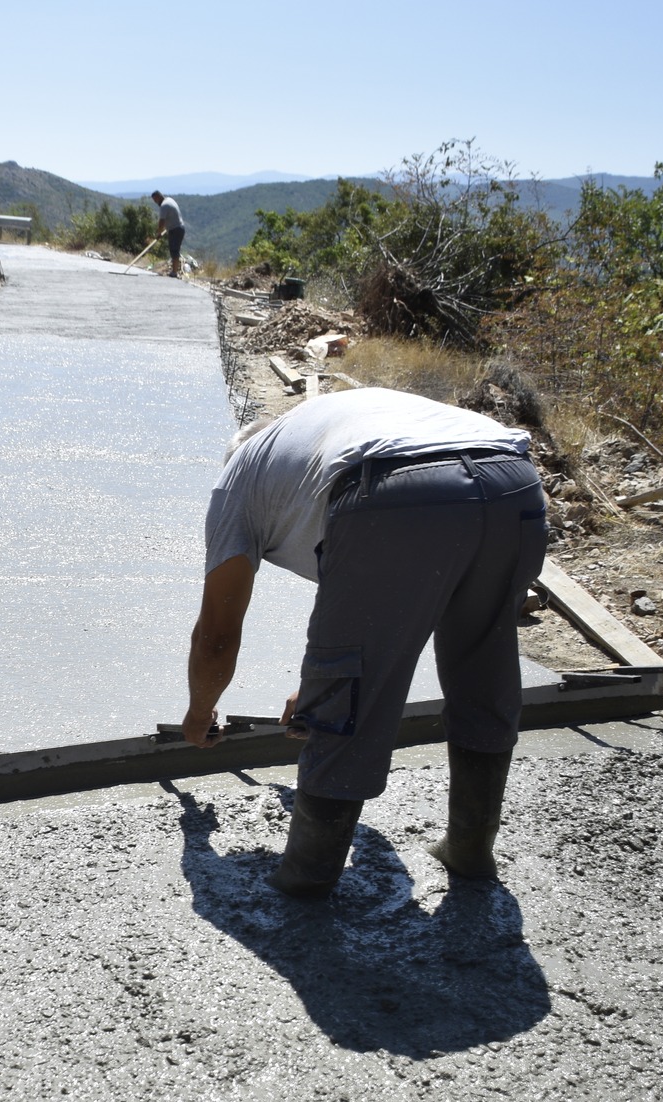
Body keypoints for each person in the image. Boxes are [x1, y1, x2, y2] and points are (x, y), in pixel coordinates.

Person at [183, 387, 547, 896]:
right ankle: (470, 848)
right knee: (483, 664)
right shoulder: (325, 434)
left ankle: (307, 877)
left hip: (399, 487)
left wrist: (200, 713)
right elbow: (398, 605)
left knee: (345, 699)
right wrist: (317, 685)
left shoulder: (238, 479)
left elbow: (218, 636)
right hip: (514, 481)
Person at [150, 190, 185, 278]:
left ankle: (174, 272)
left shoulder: (164, 206)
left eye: (155, 200)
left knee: (174, 250)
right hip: (178, 227)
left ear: (158, 197)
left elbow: (161, 222)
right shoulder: (169, 199)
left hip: (175, 230)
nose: (155, 202)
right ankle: (174, 271)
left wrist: (159, 233)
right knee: (174, 250)